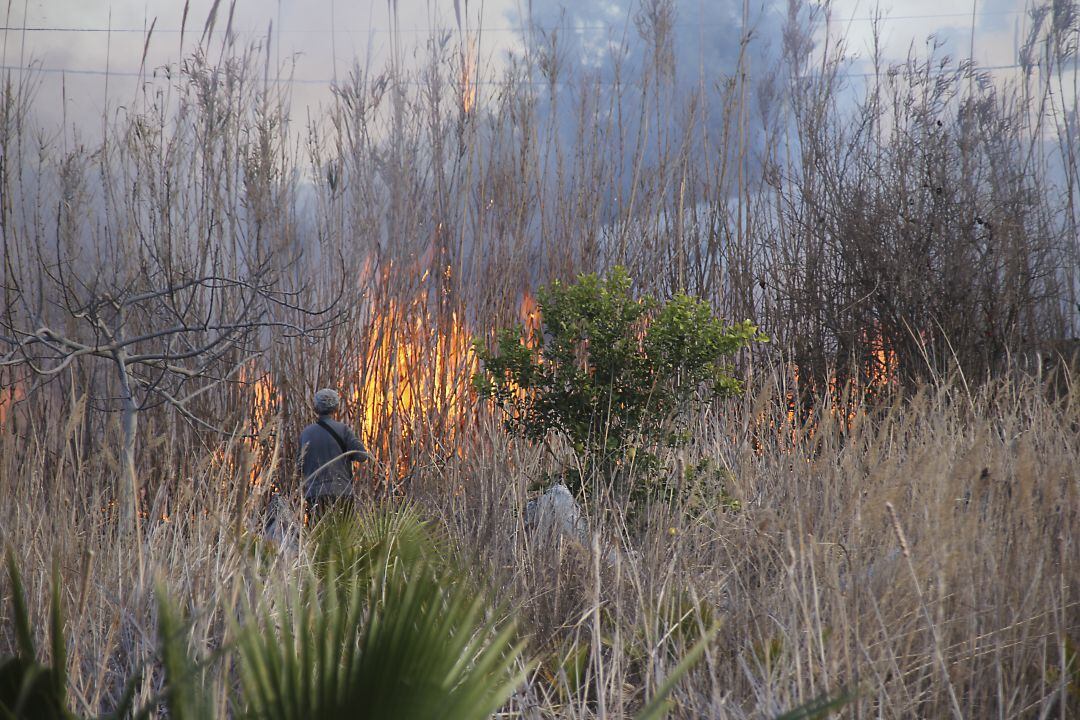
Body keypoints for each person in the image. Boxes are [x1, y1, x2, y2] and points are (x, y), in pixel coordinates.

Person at [298, 388, 371, 523]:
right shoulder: (343, 430)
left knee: (318, 537)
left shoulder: (306, 433)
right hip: (342, 492)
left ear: (315, 408)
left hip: (315, 495)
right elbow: (362, 456)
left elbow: (299, 466)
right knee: (343, 538)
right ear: (336, 408)